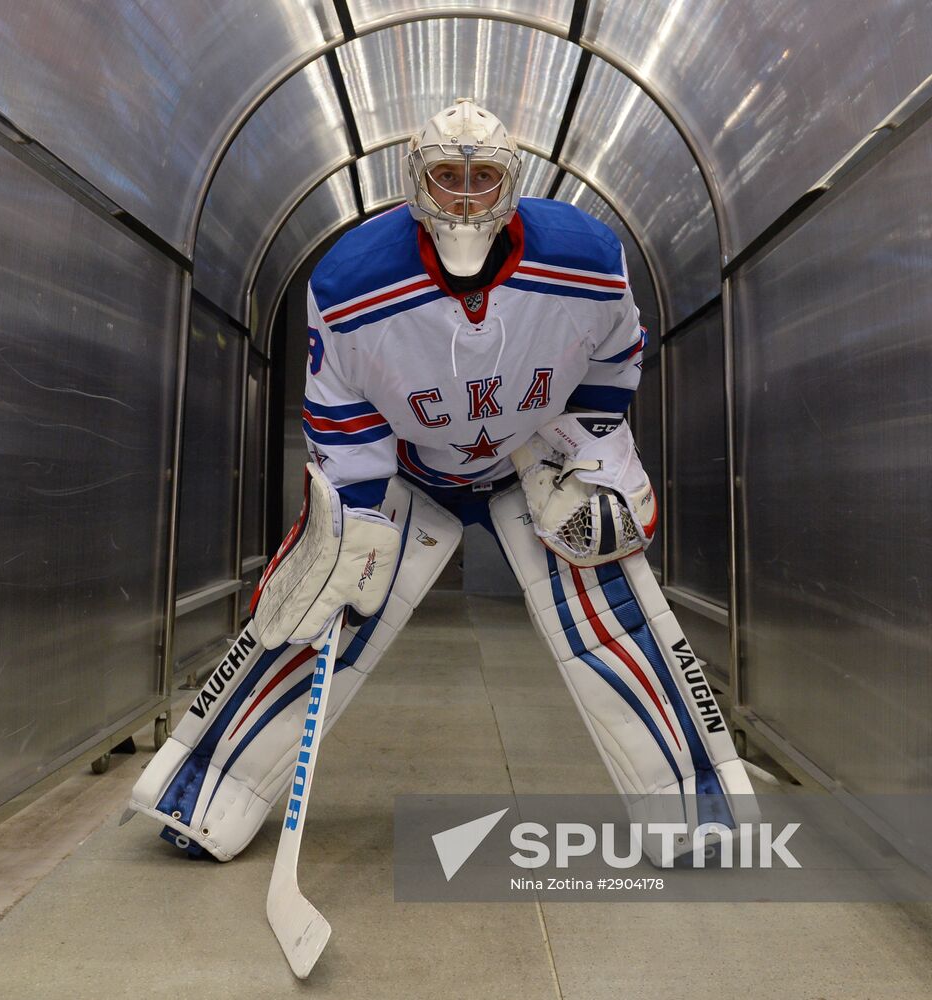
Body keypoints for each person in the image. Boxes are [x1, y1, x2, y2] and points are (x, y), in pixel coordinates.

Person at [130, 99, 755, 865]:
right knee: (311, 610)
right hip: (410, 467)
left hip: (532, 465)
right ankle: (201, 792)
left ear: (511, 181)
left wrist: (595, 457)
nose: (464, 196)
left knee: (617, 612)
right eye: (446, 177)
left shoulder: (588, 256)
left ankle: (699, 811)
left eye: (483, 176)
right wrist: (350, 522)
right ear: (415, 181)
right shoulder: (350, 280)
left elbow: (615, 357)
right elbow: (340, 406)